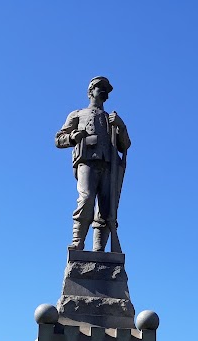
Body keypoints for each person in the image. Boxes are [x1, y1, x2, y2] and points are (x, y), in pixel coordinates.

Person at [55, 77, 131, 252]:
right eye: (99, 87)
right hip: (87, 162)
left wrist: (121, 126)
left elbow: (125, 145)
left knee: (107, 209)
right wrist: (73, 136)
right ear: (90, 92)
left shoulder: (111, 119)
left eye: (105, 89)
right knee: (86, 199)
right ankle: (78, 241)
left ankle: (99, 249)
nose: (103, 90)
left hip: (109, 166)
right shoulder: (77, 114)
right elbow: (59, 139)